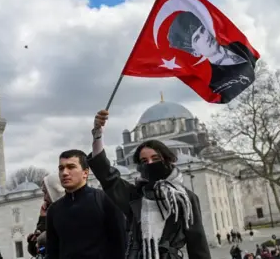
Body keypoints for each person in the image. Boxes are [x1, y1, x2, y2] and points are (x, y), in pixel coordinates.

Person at [87, 110, 211, 259]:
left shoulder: (185, 198)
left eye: (155, 158)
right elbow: (106, 175)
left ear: (168, 160)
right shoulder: (135, 195)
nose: (150, 164)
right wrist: (97, 135)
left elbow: (197, 243)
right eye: (144, 161)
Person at [46, 149, 126, 259]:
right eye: (61, 168)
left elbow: (120, 244)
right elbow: (52, 252)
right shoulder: (54, 210)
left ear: (85, 173)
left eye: (71, 167)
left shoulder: (104, 200)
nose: (64, 173)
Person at [167, 11, 257, 103]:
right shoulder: (216, 80)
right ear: (195, 53)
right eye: (197, 38)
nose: (205, 37)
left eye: (202, 30)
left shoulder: (238, 46)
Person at [27, 174, 65, 257]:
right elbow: (37, 251)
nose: (44, 198)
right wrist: (43, 219)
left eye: (45, 193)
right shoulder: (52, 215)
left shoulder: (68, 215)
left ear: (54, 191)